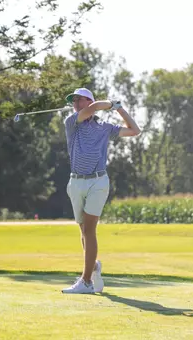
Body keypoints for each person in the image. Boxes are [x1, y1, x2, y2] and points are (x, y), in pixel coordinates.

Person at [61, 88, 141, 294]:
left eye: (80, 100)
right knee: (83, 231)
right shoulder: (72, 123)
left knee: (89, 230)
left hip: (98, 181)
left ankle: (86, 281)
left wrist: (120, 109)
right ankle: (94, 266)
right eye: (74, 101)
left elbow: (134, 130)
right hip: (76, 182)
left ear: (88, 100)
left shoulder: (105, 128)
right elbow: (95, 107)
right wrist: (109, 103)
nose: (76, 103)